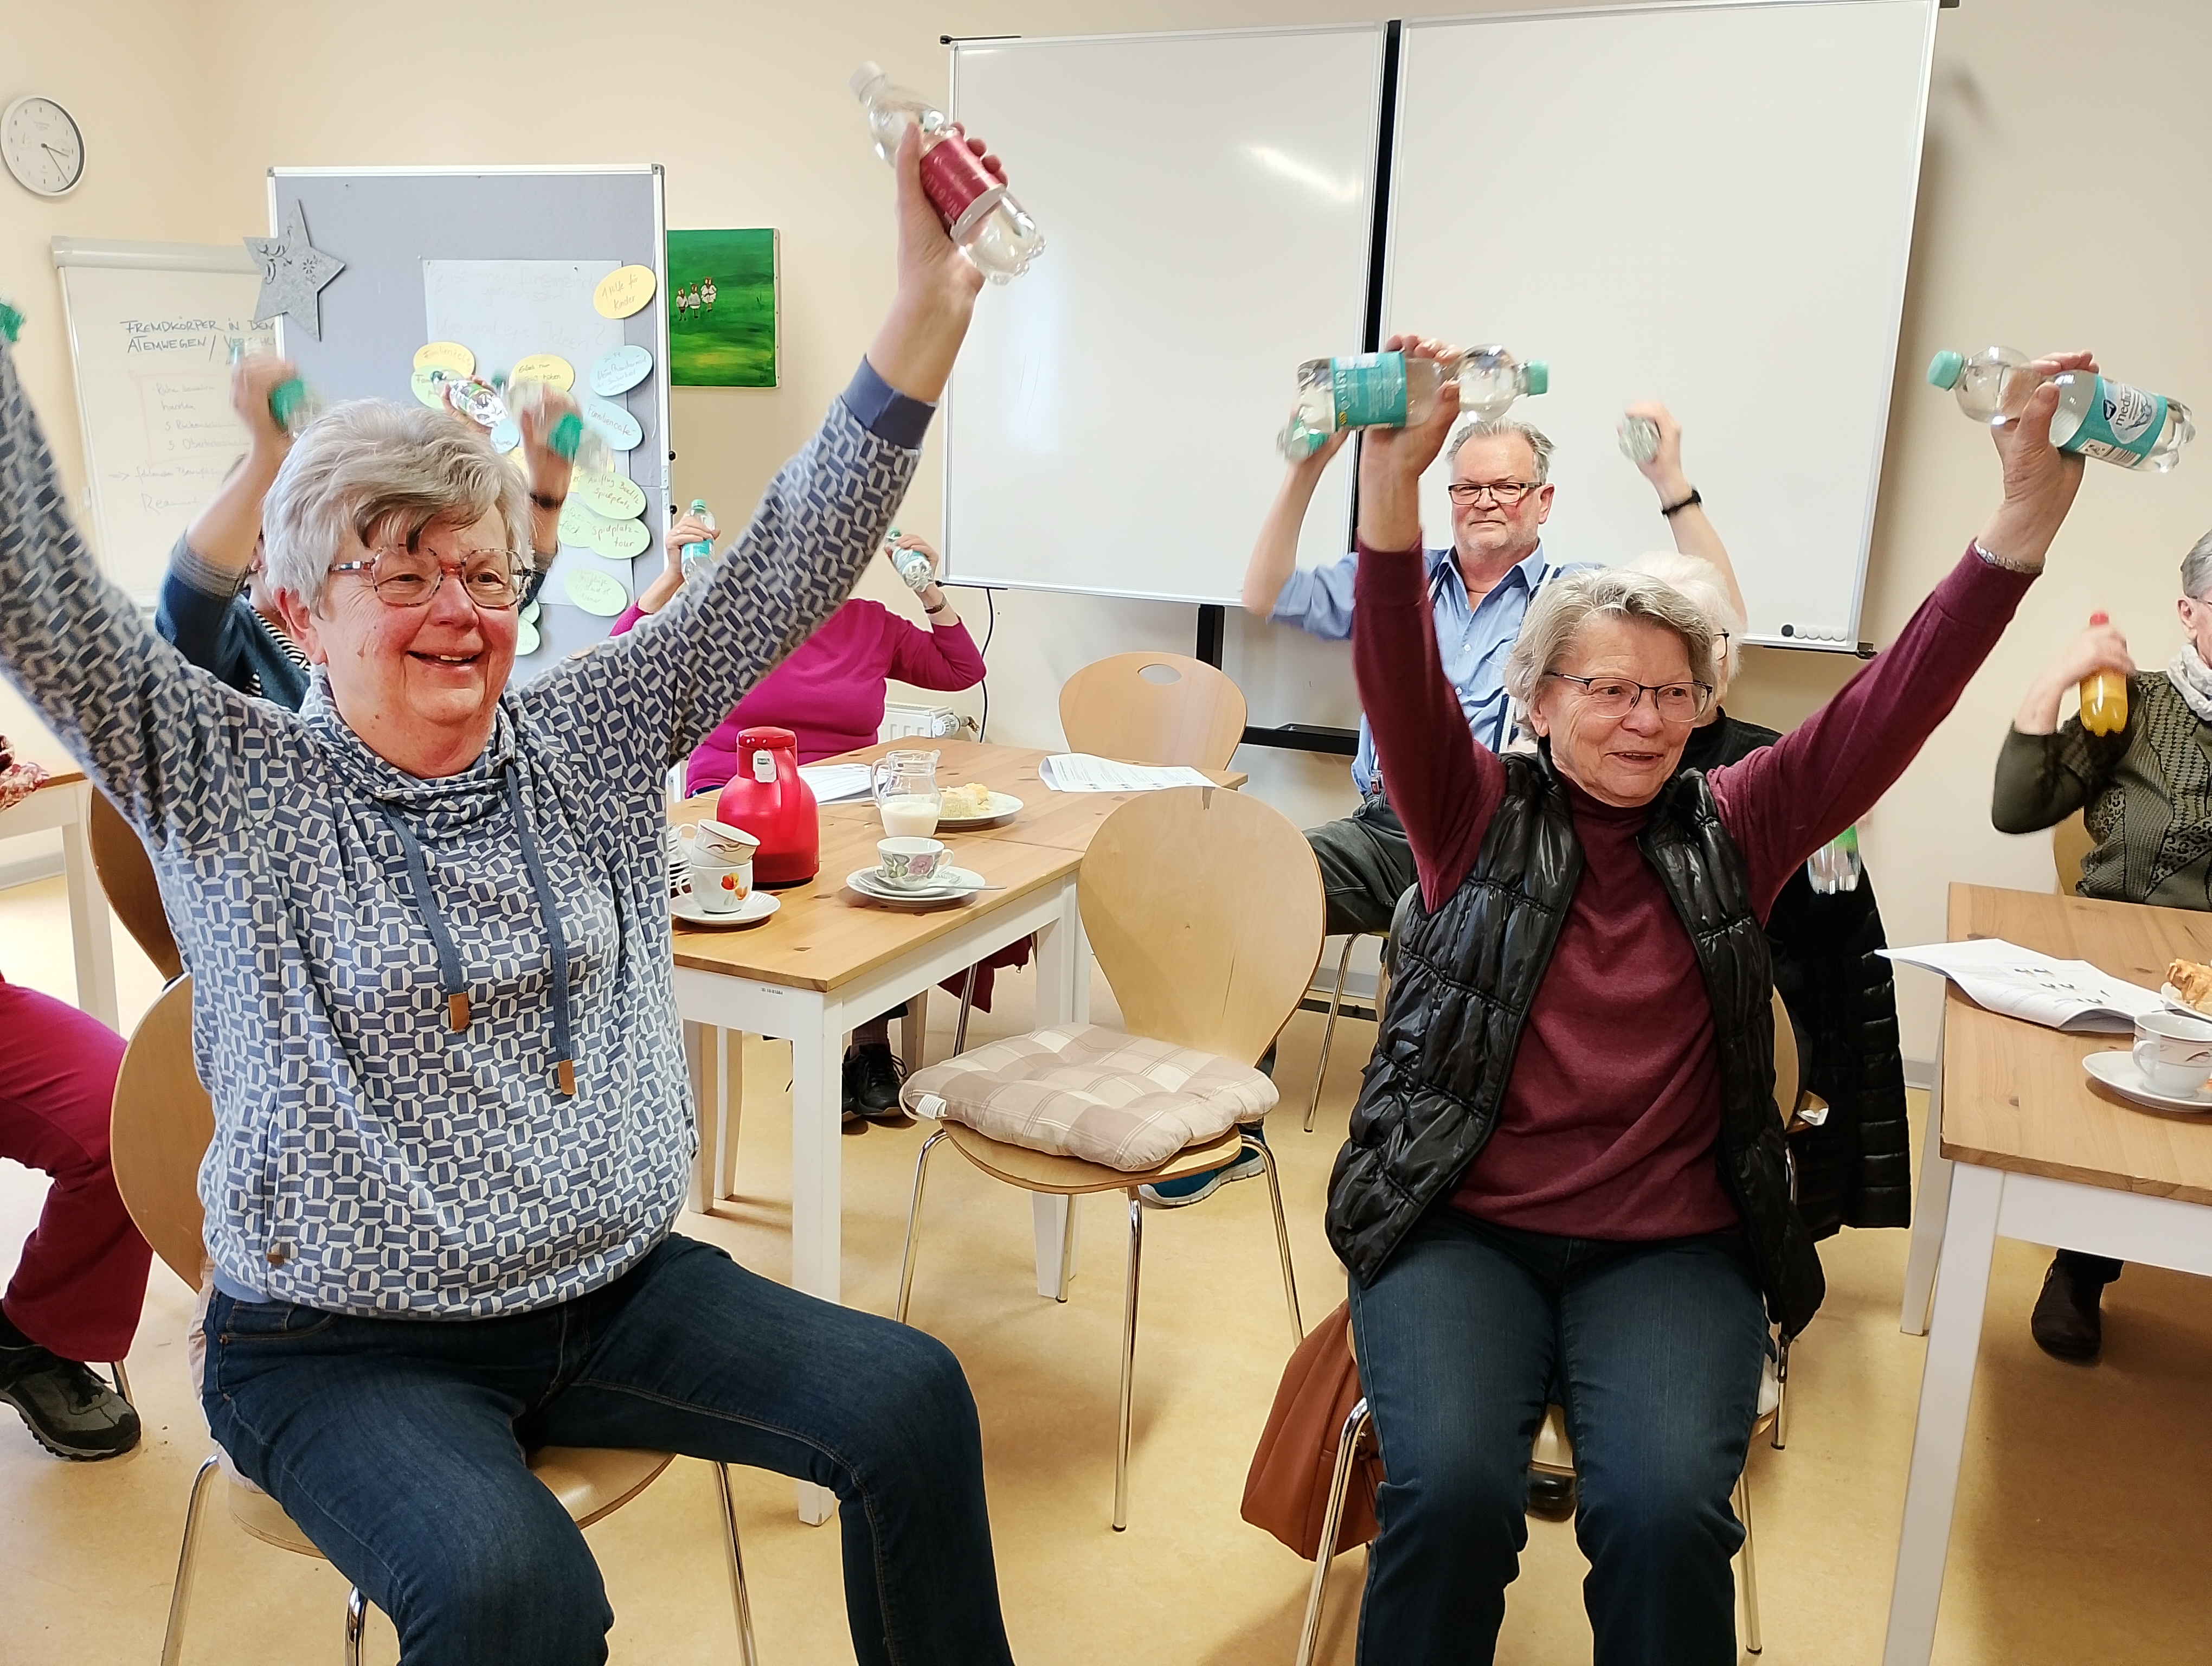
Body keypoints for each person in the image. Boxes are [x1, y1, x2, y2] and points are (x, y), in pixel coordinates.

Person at [0, 124, 1014, 1666]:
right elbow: (47, 604)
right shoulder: (229, 778)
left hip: (614, 1292)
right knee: (512, 1594)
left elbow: (794, 556)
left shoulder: (588, 736)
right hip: (340, 1353)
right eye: (399, 575)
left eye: (479, 573)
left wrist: (931, 302)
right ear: (298, 610)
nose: (454, 611)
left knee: (914, 1401)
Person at [1333, 336, 2087, 1664]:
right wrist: (1390, 492)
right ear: (1538, 695)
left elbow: (1892, 700)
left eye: (1670, 693)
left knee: (1665, 1511)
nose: (1639, 718)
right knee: (1447, 1495)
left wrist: (2018, 521)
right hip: (1462, 1225)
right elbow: (1393, 668)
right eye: (1606, 687)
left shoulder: (1739, 819)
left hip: (1668, 1245)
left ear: (1702, 707)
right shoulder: (1468, 813)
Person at [1242, 400, 1745, 941]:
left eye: (1508, 487)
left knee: (1432, 937)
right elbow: (1266, 594)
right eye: (1467, 488)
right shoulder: (1399, 581)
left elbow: (1719, 616)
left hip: (1512, 833)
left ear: (1543, 500)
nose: (1485, 502)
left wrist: (1669, 481)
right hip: (1390, 825)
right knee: (1255, 878)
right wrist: (1305, 470)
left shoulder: (1579, 598)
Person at [612, 516, 995, 1121]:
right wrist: (667, 582)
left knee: (883, 877)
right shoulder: (724, 616)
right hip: (739, 790)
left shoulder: (870, 623)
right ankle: (809, 1046)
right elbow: (617, 663)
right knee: (790, 876)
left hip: (842, 793)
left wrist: (930, 592)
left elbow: (960, 673)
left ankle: (869, 1048)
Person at [1990, 531, 2212, 1361]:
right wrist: (2060, 674)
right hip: (2127, 966)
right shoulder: (2132, 705)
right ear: (2188, 614)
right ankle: (2081, 1269)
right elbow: (2017, 807)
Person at [158, 354, 567, 710]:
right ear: (249, 551)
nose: (455, 609)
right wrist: (267, 454)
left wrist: (545, 495)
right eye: (406, 576)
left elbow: (498, 594)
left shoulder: (367, 600)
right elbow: (189, 612)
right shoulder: (235, 645)